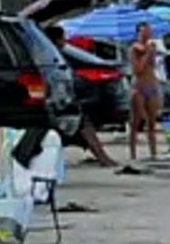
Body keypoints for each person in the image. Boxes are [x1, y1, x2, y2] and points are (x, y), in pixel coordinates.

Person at [42, 25, 121, 168]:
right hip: (55, 99)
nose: (64, 41)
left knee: (84, 125)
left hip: (59, 98)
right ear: (57, 39)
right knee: (84, 125)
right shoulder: (50, 55)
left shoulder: (49, 53)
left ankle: (103, 158)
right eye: (62, 38)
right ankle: (103, 158)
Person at [128, 21, 162, 160]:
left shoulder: (150, 47)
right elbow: (137, 69)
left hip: (152, 85)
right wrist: (146, 54)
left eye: (148, 31)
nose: (146, 34)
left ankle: (153, 152)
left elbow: (152, 67)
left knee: (152, 123)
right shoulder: (134, 49)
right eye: (143, 32)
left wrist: (151, 54)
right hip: (139, 87)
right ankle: (133, 153)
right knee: (136, 121)